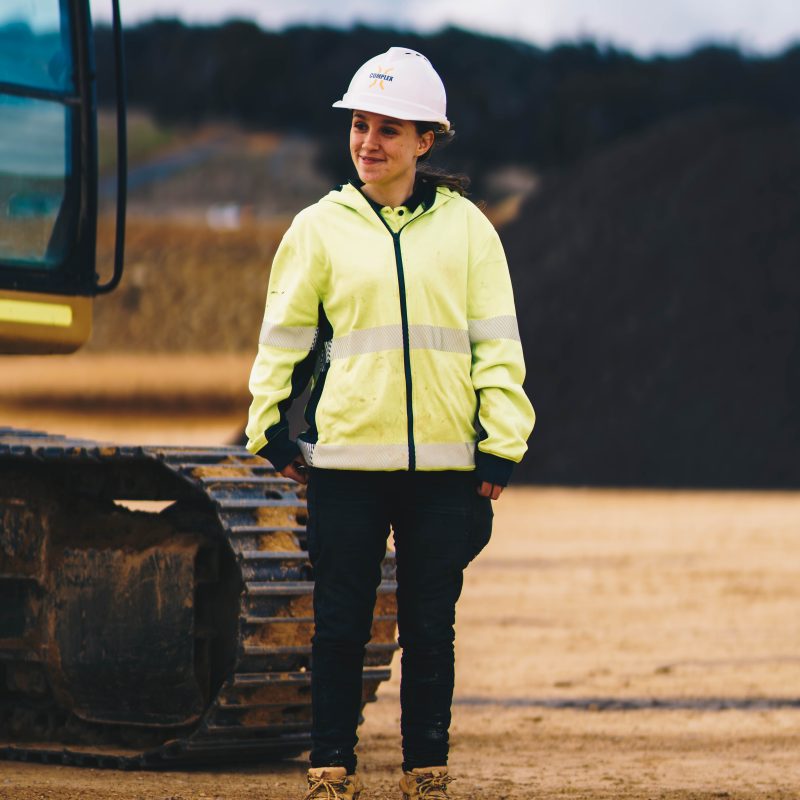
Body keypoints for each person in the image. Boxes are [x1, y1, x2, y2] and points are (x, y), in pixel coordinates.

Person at [246, 46, 535, 800]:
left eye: (388, 129)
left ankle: (426, 770)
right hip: (347, 465)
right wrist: (268, 428)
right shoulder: (319, 229)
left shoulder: (469, 231)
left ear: (425, 140)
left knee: (431, 626)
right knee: (341, 624)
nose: (368, 142)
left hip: (444, 470)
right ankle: (330, 768)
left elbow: (496, 345)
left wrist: (500, 447)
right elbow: (285, 337)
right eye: (360, 125)